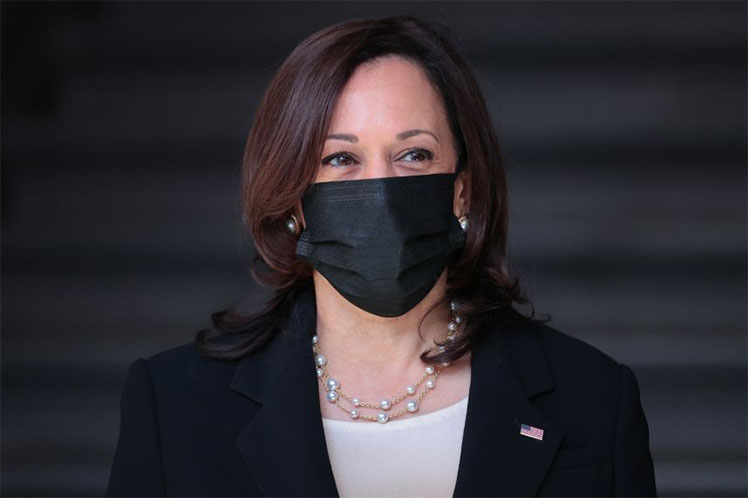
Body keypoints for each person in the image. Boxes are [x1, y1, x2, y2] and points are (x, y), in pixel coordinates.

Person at [107, 14, 657, 498]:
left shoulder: (594, 398)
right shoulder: (174, 404)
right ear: (293, 199)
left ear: (461, 190)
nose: (381, 192)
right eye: (341, 158)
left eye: (413, 154)